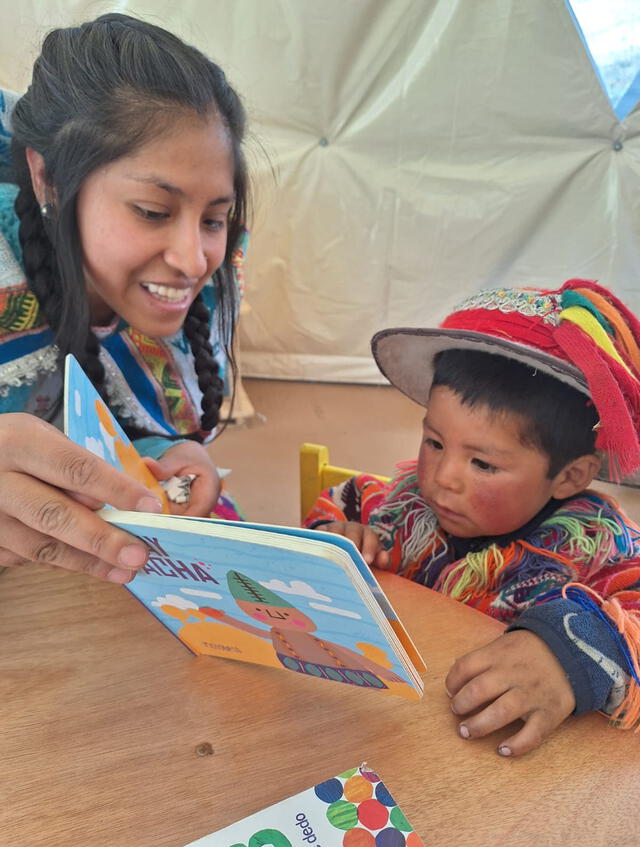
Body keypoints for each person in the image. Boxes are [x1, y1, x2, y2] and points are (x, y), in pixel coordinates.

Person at [303, 279, 640, 756]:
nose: (442, 478)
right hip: (386, 733)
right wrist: (339, 533)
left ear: (569, 477)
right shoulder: (400, 509)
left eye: (482, 463)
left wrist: (570, 653)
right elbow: (346, 498)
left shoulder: (598, 547)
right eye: (434, 443)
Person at [0, 13, 249, 584]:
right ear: (48, 180)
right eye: (153, 212)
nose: (192, 260)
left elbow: (105, 416)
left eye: (214, 219)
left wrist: (160, 454)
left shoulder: (177, 292)